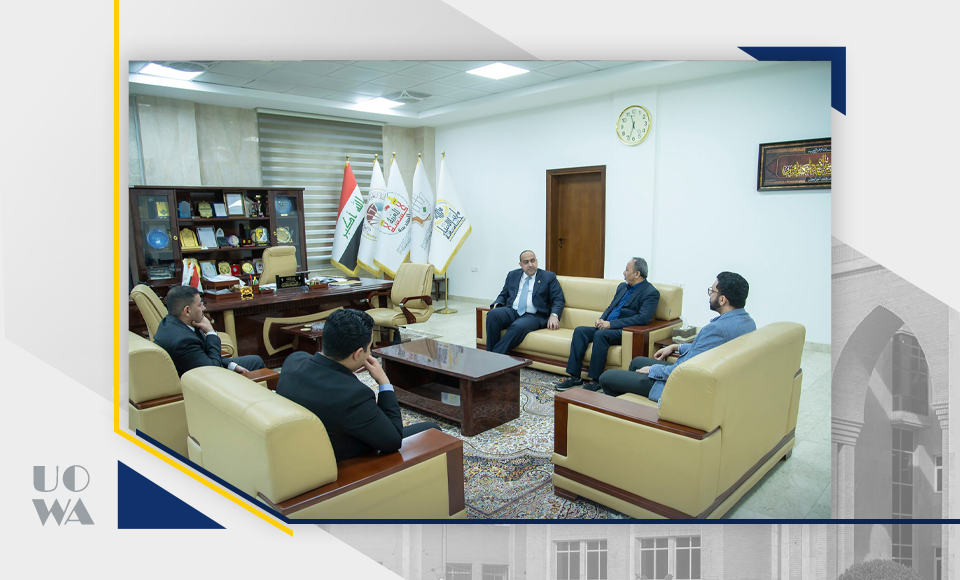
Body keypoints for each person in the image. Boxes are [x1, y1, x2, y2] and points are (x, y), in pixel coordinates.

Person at [276, 308, 439, 462]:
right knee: (431, 429)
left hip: (297, 451)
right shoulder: (353, 395)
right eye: (369, 348)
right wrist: (384, 382)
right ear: (358, 353)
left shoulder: (293, 361)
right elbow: (394, 440)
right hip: (342, 463)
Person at [597, 271, 756, 402]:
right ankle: (632, 401)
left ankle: (632, 410)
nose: (709, 295)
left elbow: (682, 370)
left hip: (677, 385)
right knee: (637, 361)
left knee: (607, 377)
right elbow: (709, 349)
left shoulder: (716, 328)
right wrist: (677, 346)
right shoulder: (747, 322)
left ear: (722, 299)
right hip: (697, 375)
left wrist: (653, 370)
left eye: (712, 291)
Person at [556, 257, 660, 391]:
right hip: (607, 325)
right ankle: (575, 377)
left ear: (637, 274)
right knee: (580, 331)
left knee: (601, 335)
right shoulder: (622, 287)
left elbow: (642, 318)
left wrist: (611, 324)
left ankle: (596, 380)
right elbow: (611, 307)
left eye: (627, 270)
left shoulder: (650, 292)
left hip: (624, 330)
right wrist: (601, 319)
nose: (624, 272)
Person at [153, 285, 265, 377]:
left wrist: (232, 365)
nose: (204, 308)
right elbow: (213, 371)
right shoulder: (183, 341)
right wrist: (211, 332)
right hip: (205, 382)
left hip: (202, 369)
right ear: (187, 311)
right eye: (200, 305)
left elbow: (202, 356)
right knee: (256, 363)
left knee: (255, 361)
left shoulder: (169, 322)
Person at [486, 250, 565, 354]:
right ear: (521, 264)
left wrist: (554, 315)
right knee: (493, 315)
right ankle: (491, 354)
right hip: (513, 311)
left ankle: (492, 356)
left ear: (536, 261)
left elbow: (558, 299)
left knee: (518, 326)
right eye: (526, 262)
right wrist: (496, 304)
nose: (530, 265)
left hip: (534, 315)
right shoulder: (512, 275)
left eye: (532, 261)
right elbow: (503, 294)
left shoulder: (548, 277)